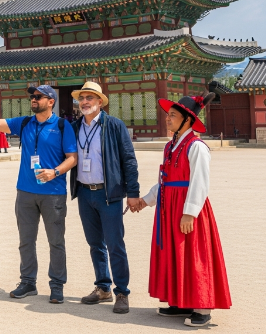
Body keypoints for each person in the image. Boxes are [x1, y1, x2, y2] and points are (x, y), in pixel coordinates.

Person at [0, 85, 77, 304]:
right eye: (32, 97)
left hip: (53, 193)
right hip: (25, 192)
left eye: (38, 97)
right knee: (26, 241)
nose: (33, 100)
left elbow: (72, 157)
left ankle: (56, 285)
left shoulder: (63, 126)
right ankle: (28, 282)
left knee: (55, 241)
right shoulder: (25, 122)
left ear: (51, 101)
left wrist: (55, 172)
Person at [135, 93, 230, 328]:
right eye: (168, 115)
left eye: (173, 116)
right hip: (169, 207)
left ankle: (202, 307)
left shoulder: (196, 146)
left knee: (194, 254)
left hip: (187, 207)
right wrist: (146, 200)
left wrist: (190, 212)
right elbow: (165, 181)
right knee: (174, 253)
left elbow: (200, 181)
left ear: (188, 120)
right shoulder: (170, 146)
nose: (168, 119)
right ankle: (180, 301)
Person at [68, 82, 141, 314]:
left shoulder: (114, 126)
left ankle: (122, 291)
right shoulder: (74, 126)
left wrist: (133, 193)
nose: (85, 102)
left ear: (100, 102)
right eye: (82, 98)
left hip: (108, 193)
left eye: (90, 98)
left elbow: (128, 159)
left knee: (115, 244)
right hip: (84, 192)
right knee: (95, 244)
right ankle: (103, 287)